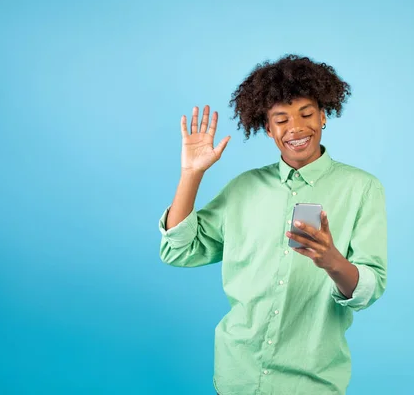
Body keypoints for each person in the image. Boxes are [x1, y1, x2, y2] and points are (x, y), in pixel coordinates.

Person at [158, 54, 387, 395]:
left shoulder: (362, 188)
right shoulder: (243, 188)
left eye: (307, 114)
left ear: (324, 116)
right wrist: (191, 175)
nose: (295, 127)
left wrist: (332, 262)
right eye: (281, 119)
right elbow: (179, 250)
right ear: (267, 128)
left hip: (312, 382)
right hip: (238, 375)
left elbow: (369, 288)